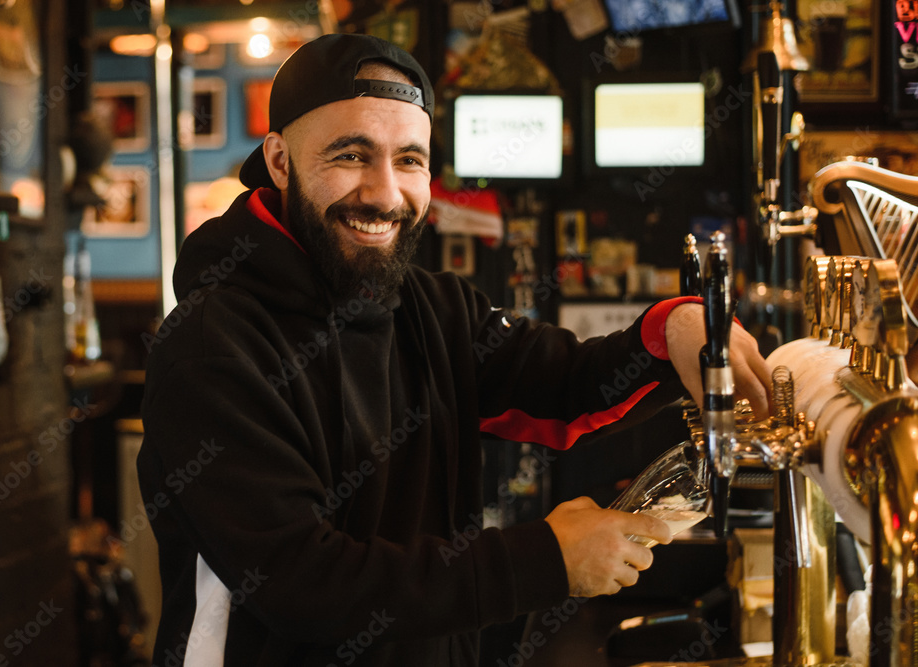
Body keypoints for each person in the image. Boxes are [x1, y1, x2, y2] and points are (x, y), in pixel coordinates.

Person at [137, 33, 771, 667]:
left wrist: (674, 331)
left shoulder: (432, 309)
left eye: (409, 160)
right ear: (279, 161)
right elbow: (302, 583)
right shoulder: (210, 348)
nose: (384, 194)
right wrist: (546, 561)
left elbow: (569, 389)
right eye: (352, 154)